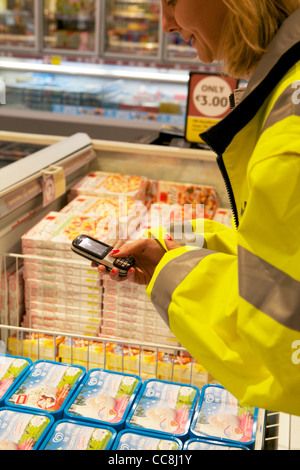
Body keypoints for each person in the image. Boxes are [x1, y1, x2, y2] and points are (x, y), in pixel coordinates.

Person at [95, 0, 300, 416]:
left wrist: (169, 273)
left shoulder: (287, 141)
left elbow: (282, 350)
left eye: (172, 1)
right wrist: (189, 242)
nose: (166, 22)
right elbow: (285, 256)